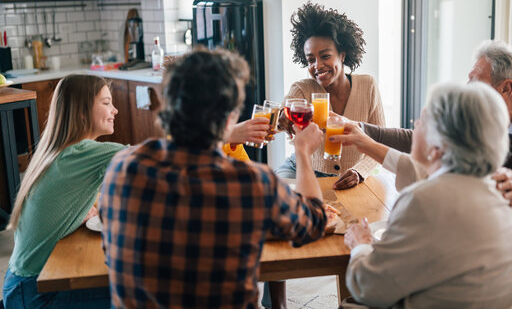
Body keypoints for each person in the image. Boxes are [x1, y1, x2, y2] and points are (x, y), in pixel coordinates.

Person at [98, 47, 328, 308]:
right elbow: (315, 222)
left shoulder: (122, 168)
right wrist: (302, 150)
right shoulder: (251, 184)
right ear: (231, 117)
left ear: (167, 107)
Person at [331, 82, 512, 308]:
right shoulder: (500, 191)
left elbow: (368, 288)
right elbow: (424, 171)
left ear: (438, 145)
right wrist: (367, 144)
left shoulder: (422, 200)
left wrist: (360, 245)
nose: (415, 127)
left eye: (421, 122)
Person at [360, 40, 512, 235]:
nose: (467, 88)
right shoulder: (481, 122)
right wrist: (362, 129)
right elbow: (427, 138)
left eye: (475, 81)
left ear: (506, 88)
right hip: (482, 225)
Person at [3, 74, 126, 308]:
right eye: (106, 102)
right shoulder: (82, 152)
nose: (115, 110)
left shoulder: (57, 151)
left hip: (19, 285)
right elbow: (150, 159)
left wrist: (81, 211)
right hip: (36, 293)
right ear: (81, 111)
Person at [276, 2, 385, 190]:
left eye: (325, 56)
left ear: (342, 55)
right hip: (302, 170)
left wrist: (359, 172)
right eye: (311, 60)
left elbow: (379, 142)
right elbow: (277, 120)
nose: (317, 65)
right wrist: (281, 120)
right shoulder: (302, 89)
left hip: (350, 177)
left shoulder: (368, 86)